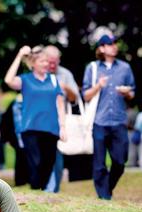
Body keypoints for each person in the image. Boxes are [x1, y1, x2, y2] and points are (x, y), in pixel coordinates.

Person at [4, 45, 66, 190]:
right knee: (35, 162)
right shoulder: (25, 80)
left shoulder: (53, 80)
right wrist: (19, 55)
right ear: (33, 64)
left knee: (48, 163)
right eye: (42, 61)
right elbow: (8, 80)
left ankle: (41, 191)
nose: (45, 64)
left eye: (46, 61)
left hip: (51, 128)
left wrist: (63, 126)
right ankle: (36, 189)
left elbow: (60, 104)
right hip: (30, 128)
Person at [82, 33, 136, 200]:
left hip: (119, 120)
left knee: (120, 161)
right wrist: (99, 85)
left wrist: (127, 93)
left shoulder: (125, 68)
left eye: (115, 43)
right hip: (99, 121)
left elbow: (132, 93)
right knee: (99, 164)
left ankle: (107, 188)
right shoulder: (92, 68)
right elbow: (85, 96)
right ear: (102, 48)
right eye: (110, 44)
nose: (114, 46)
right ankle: (104, 197)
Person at [43, 45, 81, 193]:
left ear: (59, 60)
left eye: (55, 62)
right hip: (40, 120)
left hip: (59, 120)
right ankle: (44, 186)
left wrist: (65, 87)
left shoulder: (65, 74)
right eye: (49, 62)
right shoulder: (38, 72)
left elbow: (75, 99)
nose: (52, 65)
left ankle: (52, 189)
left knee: (56, 155)